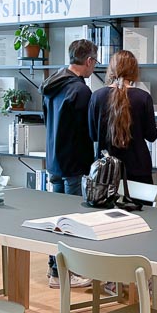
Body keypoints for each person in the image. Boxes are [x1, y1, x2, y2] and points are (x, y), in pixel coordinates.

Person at [41, 38, 98, 289]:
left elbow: (47, 120)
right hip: (74, 162)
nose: (94, 67)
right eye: (94, 62)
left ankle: (54, 269)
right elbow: (89, 130)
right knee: (72, 221)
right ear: (88, 61)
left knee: (57, 220)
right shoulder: (81, 91)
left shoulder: (52, 84)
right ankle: (71, 272)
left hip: (54, 160)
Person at [88, 50, 157, 184]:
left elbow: (93, 135)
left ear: (111, 69)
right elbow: (151, 135)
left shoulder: (97, 96)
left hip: (106, 171)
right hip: (138, 168)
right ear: (134, 71)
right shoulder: (143, 97)